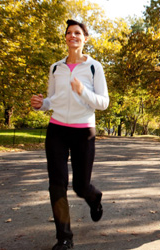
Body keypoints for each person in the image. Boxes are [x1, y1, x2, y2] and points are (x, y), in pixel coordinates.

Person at [30, 19, 109, 250]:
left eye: (77, 33)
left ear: (85, 38)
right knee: (57, 185)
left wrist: (82, 90)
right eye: (69, 33)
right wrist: (40, 104)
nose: (72, 36)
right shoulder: (56, 68)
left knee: (80, 186)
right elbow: (52, 99)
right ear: (65, 38)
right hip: (57, 130)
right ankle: (64, 238)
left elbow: (103, 102)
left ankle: (94, 199)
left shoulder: (94, 67)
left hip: (83, 131)